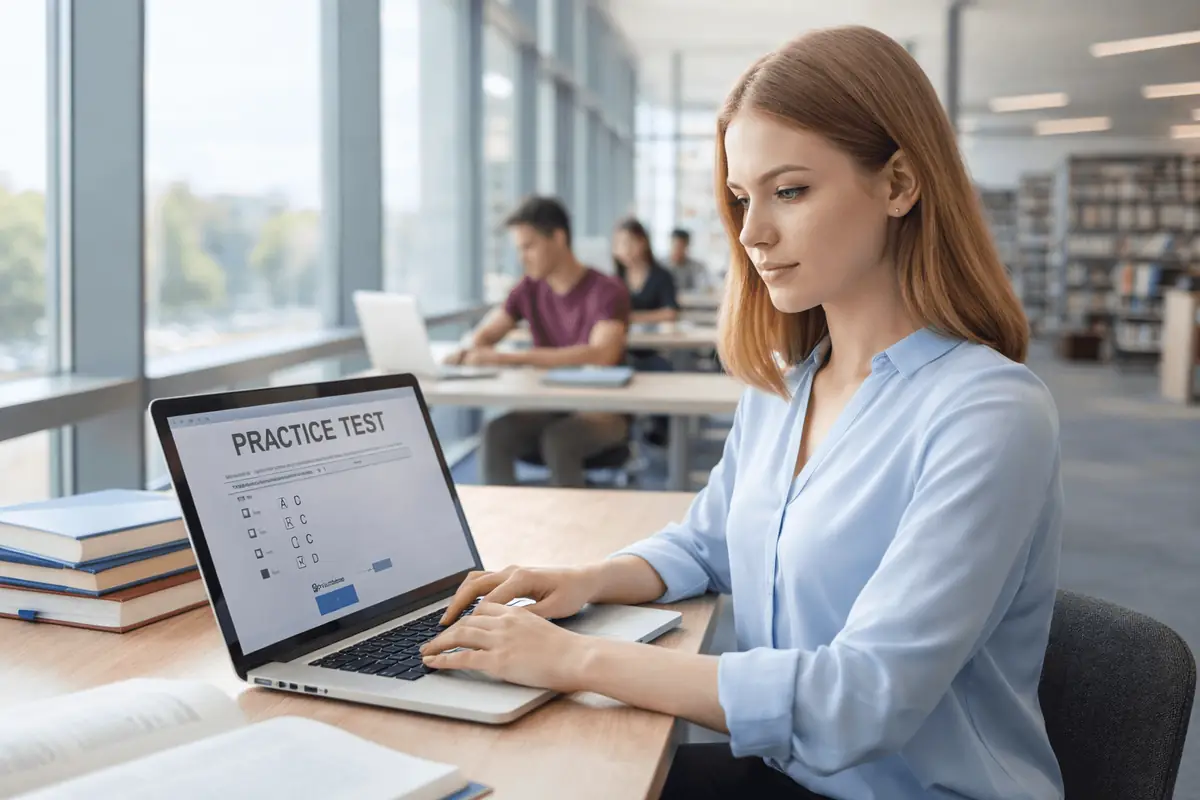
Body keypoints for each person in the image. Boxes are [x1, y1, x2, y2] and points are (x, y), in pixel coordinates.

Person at [424, 25, 1063, 800]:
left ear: (899, 183)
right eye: (740, 198)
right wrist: (584, 579)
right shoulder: (787, 390)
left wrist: (571, 659)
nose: (753, 234)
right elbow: (706, 543)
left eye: (789, 191)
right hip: (783, 775)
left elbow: (859, 703)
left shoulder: (988, 412)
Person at [448, 196, 632, 488]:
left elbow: (601, 354)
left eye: (529, 246)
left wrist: (508, 358)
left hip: (602, 410)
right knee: (496, 433)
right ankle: (501, 528)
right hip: (549, 404)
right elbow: (486, 334)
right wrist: (469, 348)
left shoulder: (607, 290)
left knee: (560, 440)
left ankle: (572, 530)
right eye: (519, 249)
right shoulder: (527, 289)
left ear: (558, 238)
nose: (522, 258)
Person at [613, 217, 678, 446]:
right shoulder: (614, 280)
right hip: (620, 352)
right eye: (619, 244)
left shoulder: (661, 276)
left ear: (642, 243)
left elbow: (670, 312)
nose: (625, 250)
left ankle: (660, 433)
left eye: (630, 243)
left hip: (653, 351)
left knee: (663, 374)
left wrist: (631, 317)